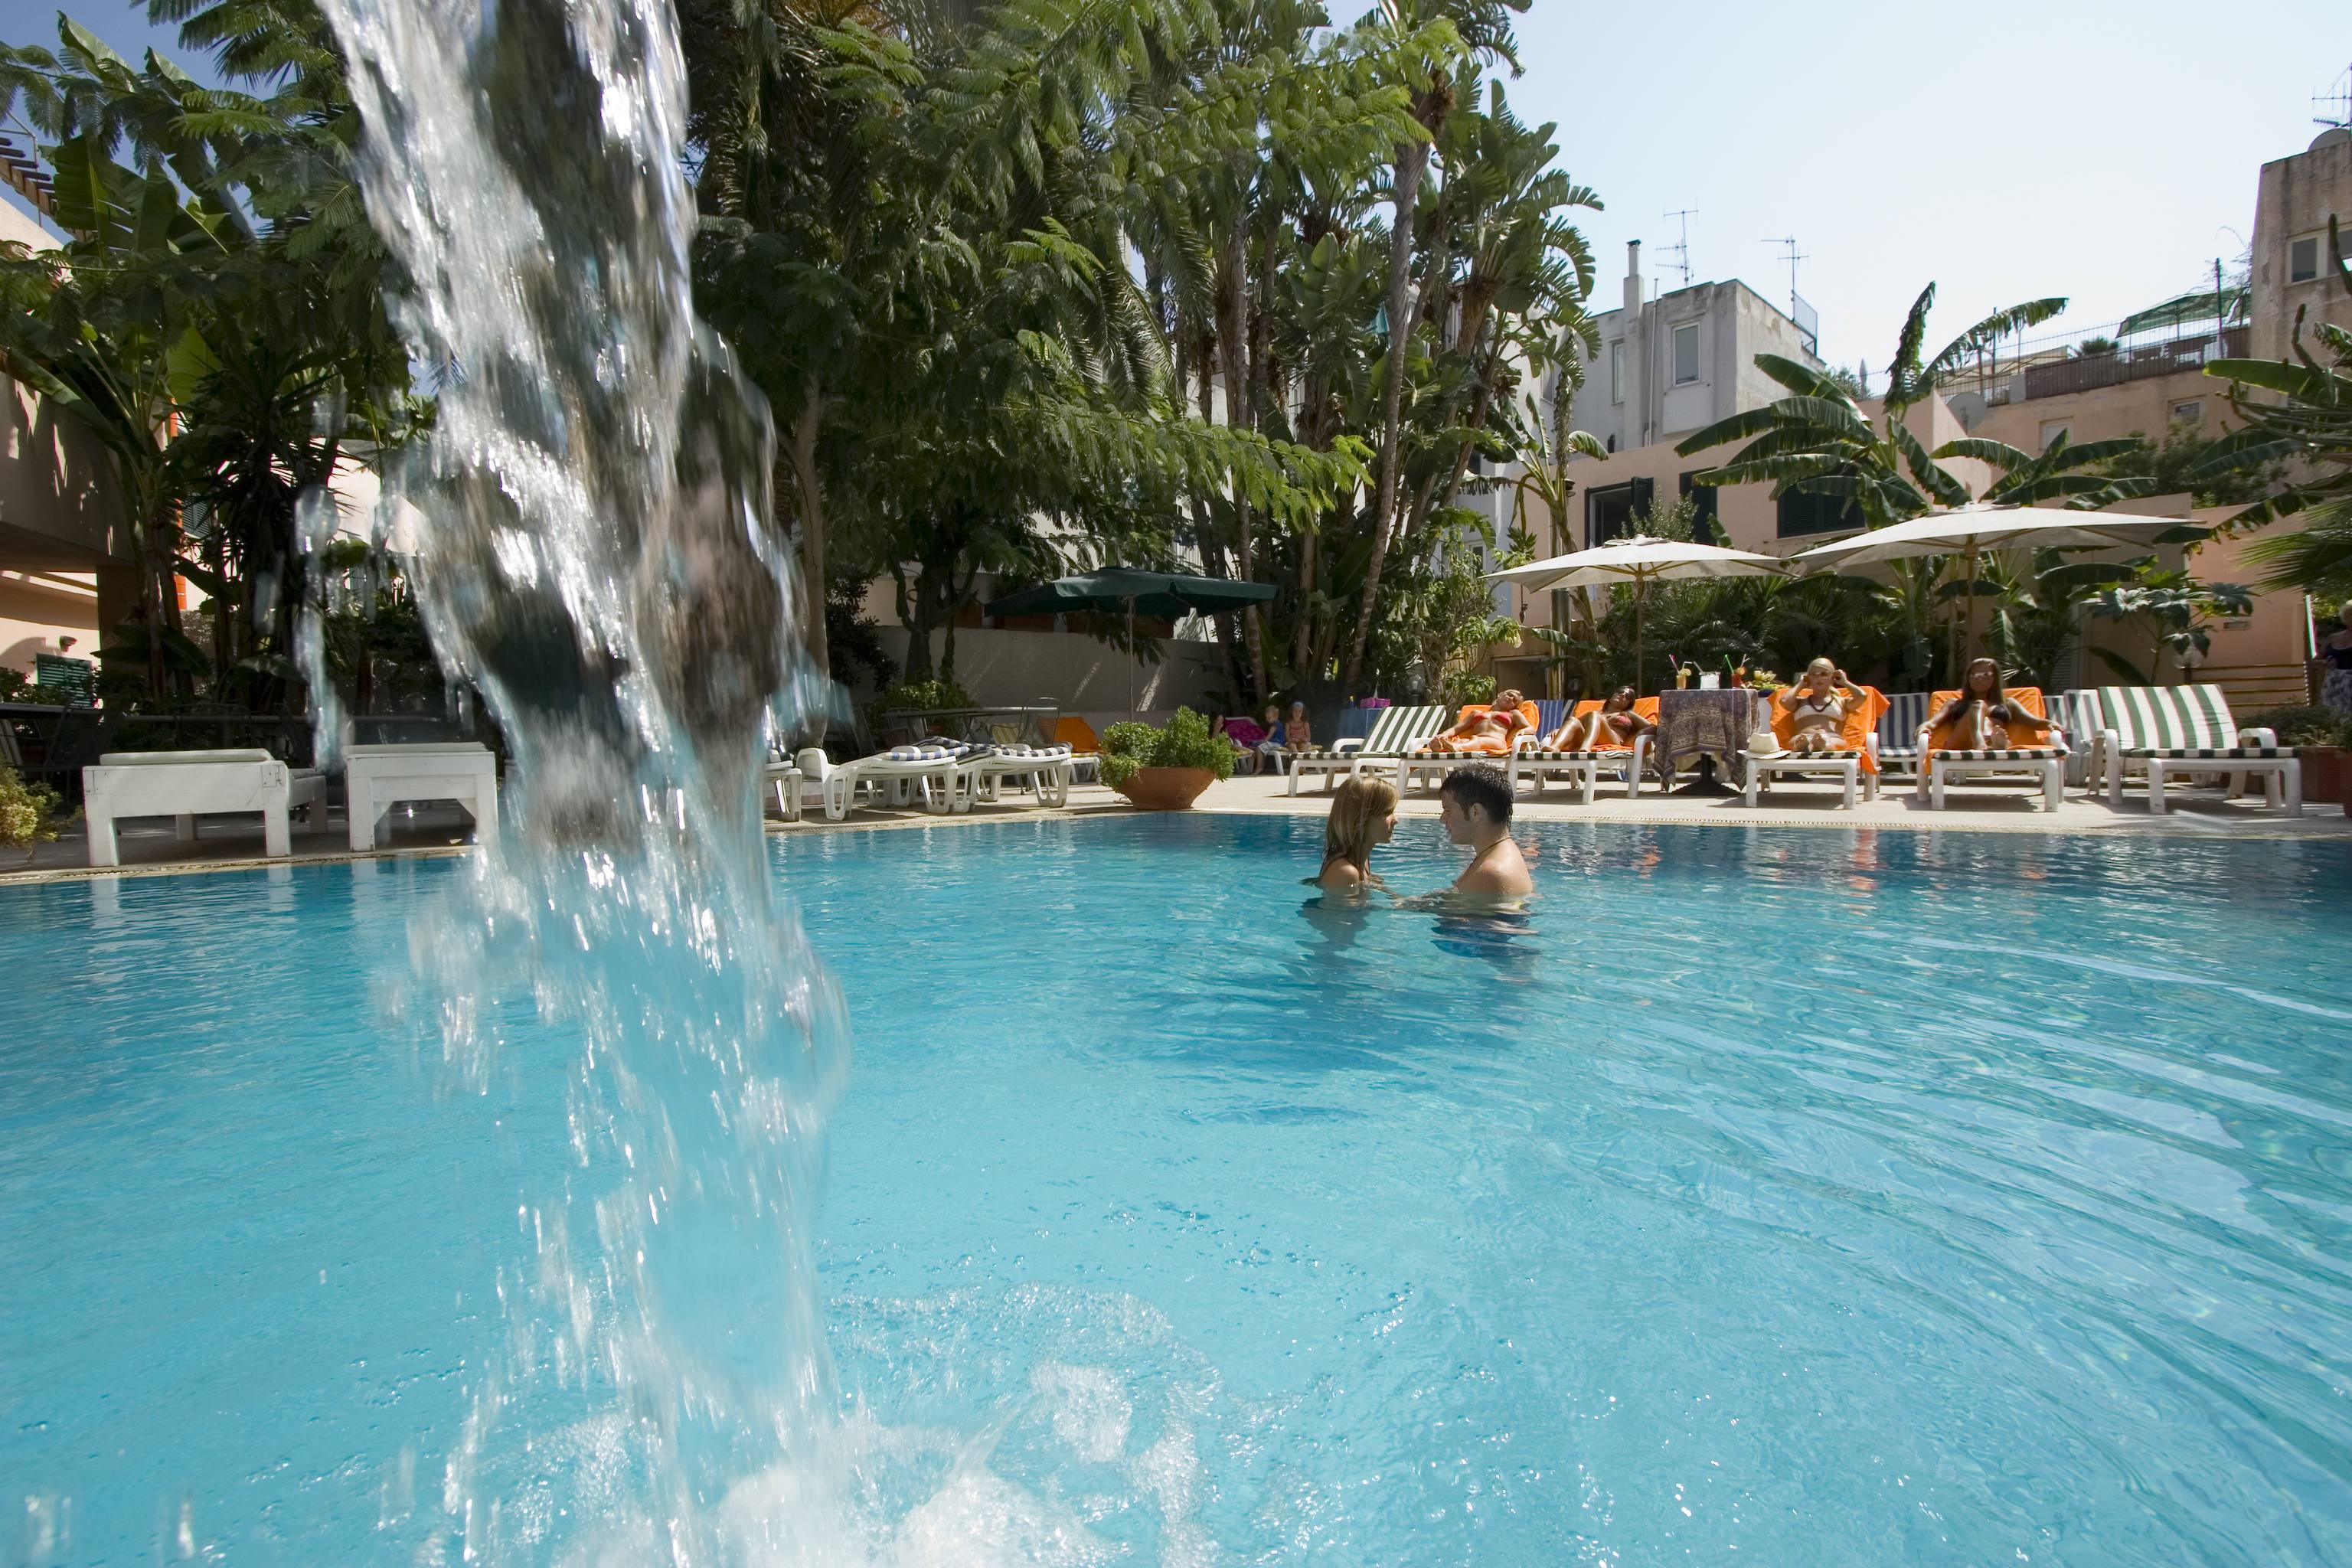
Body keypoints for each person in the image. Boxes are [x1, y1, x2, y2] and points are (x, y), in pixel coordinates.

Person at [1437, 763, 1533, 898]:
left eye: (1448, 811)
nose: (1442, 819)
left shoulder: (1492, 873)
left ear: (1476, 812)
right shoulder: (1495, 857)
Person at [1927, 658, 2061, 750]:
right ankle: (1981, 743)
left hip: (1990, 742)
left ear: (1995, 678)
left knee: (1998, 734)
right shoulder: (1954, 703)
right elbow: (1933, 723)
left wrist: (2050, 724)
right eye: (1974, 675)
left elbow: (2034, 722)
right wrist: (1924, 727)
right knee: (1979, 705)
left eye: (1986, 674)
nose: (1979, 679)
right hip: (1959, 744)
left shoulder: (2009, 704)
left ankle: (1995, 743)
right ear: (1968, 679)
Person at [1313, 775, 1397, 893]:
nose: (1396, 820)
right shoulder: (1345, 872)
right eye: (1387, 813)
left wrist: (1397, 897)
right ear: (1361, 819)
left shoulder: (1361, 858)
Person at [1775, 658, 1867, 753]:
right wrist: (1801, 684)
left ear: (1833, 677)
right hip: (1803, 736)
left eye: (1824, 674)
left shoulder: (1842, 702)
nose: (1819, 678)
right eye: (1814, 674)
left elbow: (1862, 696)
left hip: (1832, 737)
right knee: (1796, 741)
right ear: (1808, 678)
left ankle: (1822, 746)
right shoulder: (1800, 702)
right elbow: (1784, 701)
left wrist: (1845, 682)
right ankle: (1806, 746)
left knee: (1830, 743)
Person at [1543, 685, 1654, 752]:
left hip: (1614, 741)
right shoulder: (1597, 714)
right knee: (1572, 720)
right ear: (1612, 696)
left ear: (1629, 703)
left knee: (1594, 715)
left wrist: (1641, 732)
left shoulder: (1627, 714)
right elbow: (1575, 723)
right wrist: (1558, 730)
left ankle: (1586, 748)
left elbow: (1653, 727)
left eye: (1628, 696)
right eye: (1620, 692)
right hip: (1592, 739)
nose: (1623, 695)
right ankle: (1555, 747)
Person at [1426, 689, 1534, 755]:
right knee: (1462, 741)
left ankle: (1456, 748)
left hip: (1496, 742)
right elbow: (1456, 729)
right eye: (1509, 695)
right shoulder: (1476, 713)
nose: (1511, 699)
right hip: (1474, 740)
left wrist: (1522, 732)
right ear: (1500, 695)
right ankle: (1441, 749)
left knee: (1475, 741)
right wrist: (1444, 735)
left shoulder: (1513, 714)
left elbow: (1530, 729)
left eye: (1515, 700)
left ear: (1514, 706)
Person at [2317, 601, 2352, 719]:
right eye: (2350, 614)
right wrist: (2325, 662)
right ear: (2344, 618)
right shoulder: (2333, 637)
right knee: (2332, 717)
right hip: (2332, 682)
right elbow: (2317, 659)